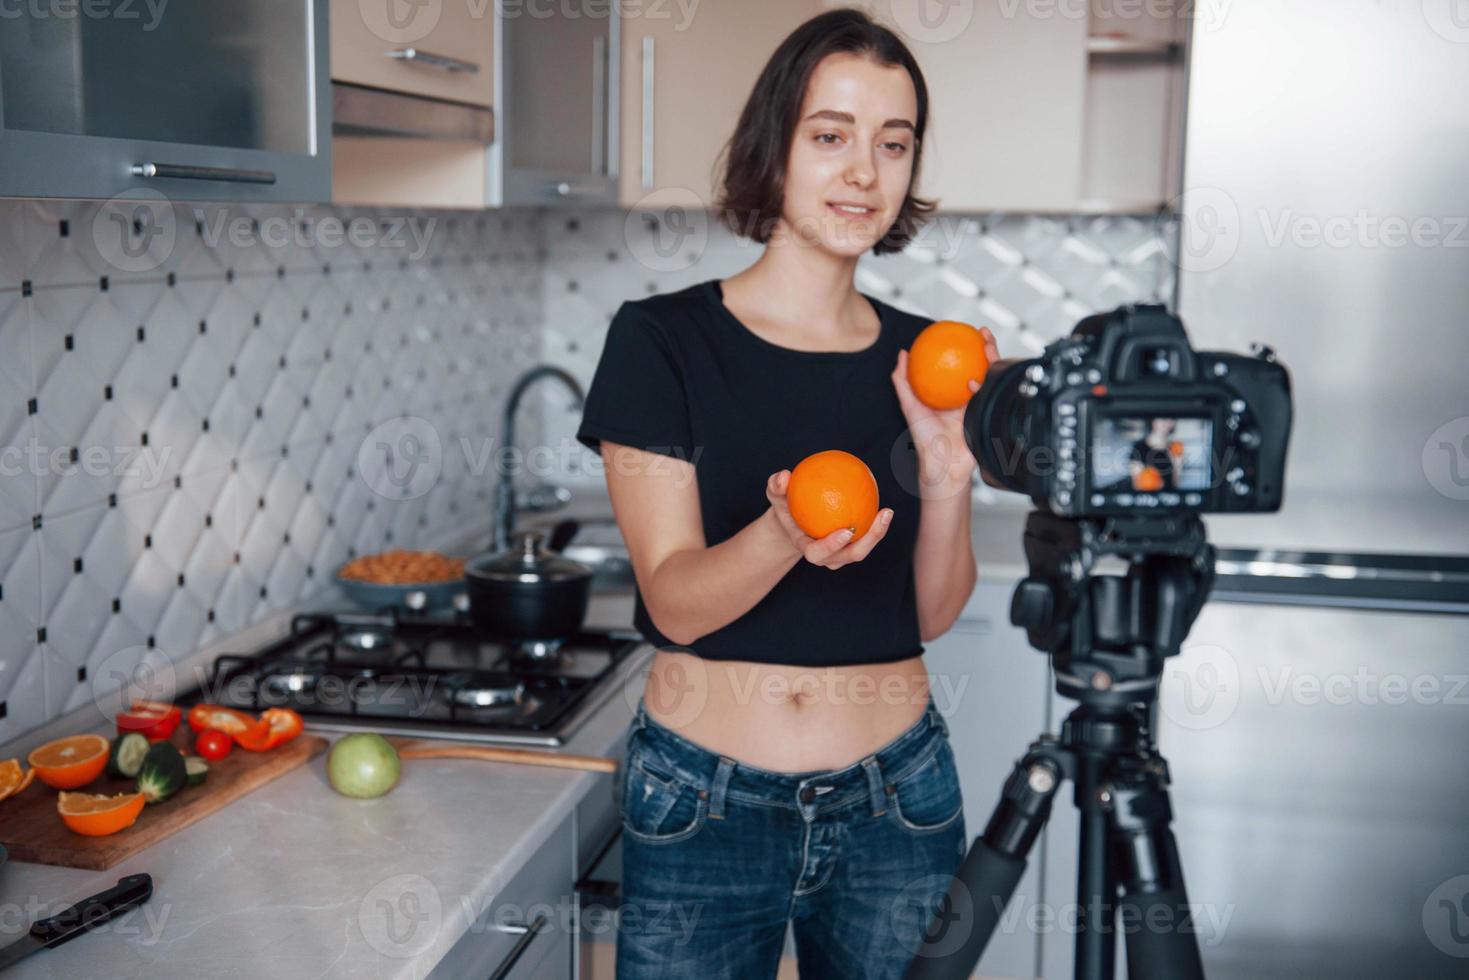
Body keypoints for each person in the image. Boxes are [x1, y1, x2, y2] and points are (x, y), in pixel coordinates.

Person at [574, 9, 1001, 978]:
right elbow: (674, 602)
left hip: (900, 798)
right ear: (774, 149)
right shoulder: (660, 341)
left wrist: (945, 474)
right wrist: (779, 530)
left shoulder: (927, 361)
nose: (863, 172)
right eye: (830, 136)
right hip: (700, 797)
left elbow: (927, 613)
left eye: (893, 145)